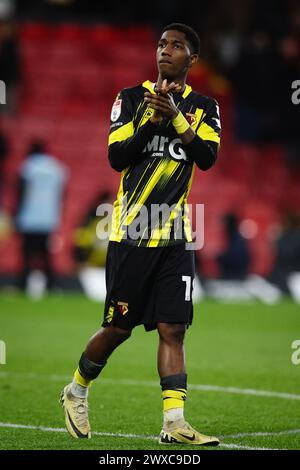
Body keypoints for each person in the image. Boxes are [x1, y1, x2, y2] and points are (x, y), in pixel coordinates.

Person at [60, 23, 221, 446]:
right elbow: (117, 157)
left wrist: (178, 119)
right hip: (131, 231)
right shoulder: (130, 99)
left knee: (174, 328)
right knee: (118, 328)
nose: (166, 51)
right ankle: (76, 389)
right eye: (162, 44)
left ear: (193, 59)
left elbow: (206, 157)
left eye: (177, 46)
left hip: (176, 236)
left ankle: (174, 422)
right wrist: (151, 122)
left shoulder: (205, 107)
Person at [16, 141, 68, 291]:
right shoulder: (57, 168)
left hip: (29, 219)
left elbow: (21, 193)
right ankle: (50, 286)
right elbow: (62, 194)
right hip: (48, 219)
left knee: (27, 255)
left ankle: (23, 285)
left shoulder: (28, 167)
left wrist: (17, 215)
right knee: (46, 256)